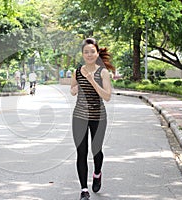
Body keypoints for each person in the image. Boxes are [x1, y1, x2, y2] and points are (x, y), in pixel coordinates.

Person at [70, 38, 115, 200]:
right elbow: (73, 90)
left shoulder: (103, 72)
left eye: (92, 52)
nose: (89, 55)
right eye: (86, 52)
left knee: (97, 151)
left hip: (98, 117)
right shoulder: (77, 71)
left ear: (97, 54)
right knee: (81, 152)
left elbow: (107, 96)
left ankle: (97, 173)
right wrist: (76, 87)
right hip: (79, 117)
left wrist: (91, 80)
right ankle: (84, 189)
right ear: (82, 54)